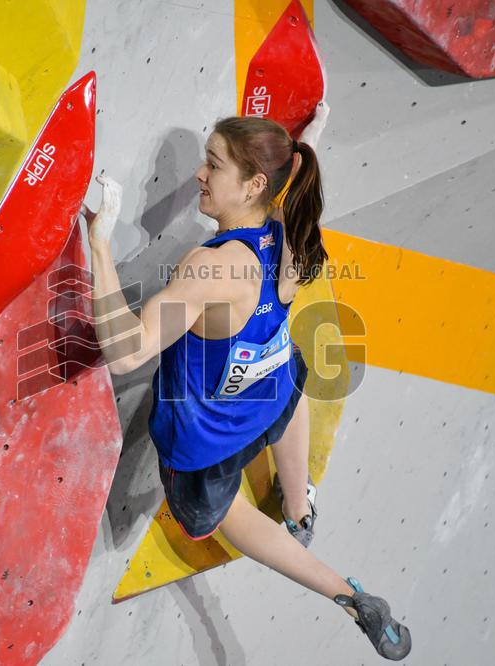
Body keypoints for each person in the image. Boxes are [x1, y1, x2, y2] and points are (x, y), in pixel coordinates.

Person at [81, 102, 411, 660]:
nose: (199, 176)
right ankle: (301, 506)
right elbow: (299, 174)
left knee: (229, 513)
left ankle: (335, 586)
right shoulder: (290, 232)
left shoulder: (212, 269)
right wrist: (307, 139)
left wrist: (101, 243)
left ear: (255, 183)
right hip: (269, 395)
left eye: (212, 165)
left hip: (207, 443)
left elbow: (126, 351)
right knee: (290, 370)